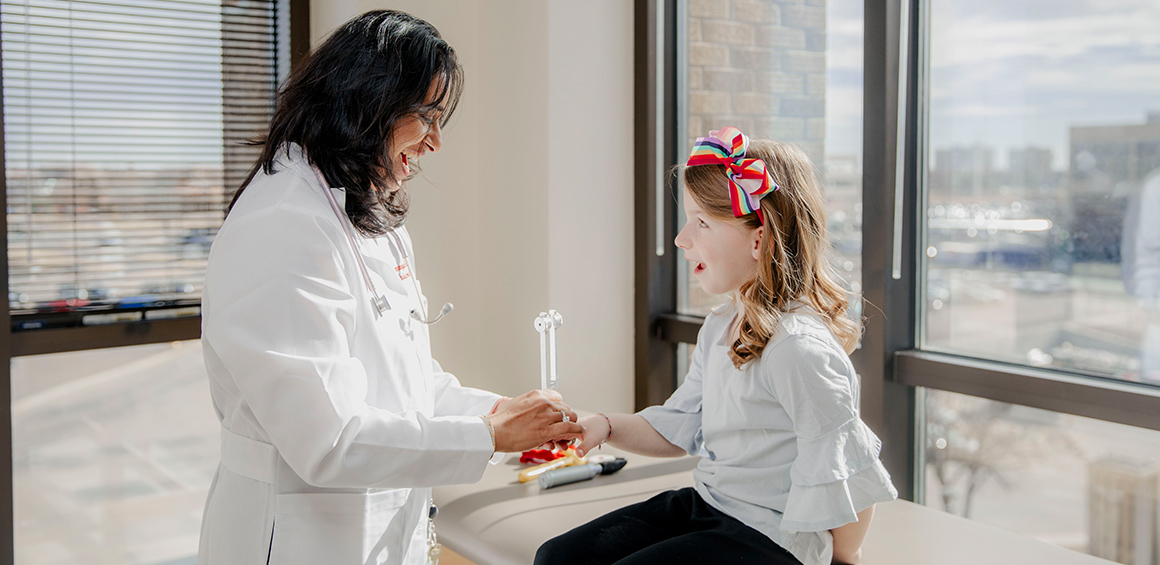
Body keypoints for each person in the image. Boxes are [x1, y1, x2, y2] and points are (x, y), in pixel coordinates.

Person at [198, 11, 583, 565]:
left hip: (379, 526)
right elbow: (328, 440)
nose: (435, 142)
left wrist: (502, 411)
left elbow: (405, 386)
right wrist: (490, 434)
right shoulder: (282, 225)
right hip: (296, 538)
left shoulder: (361, 211)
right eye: (426, 116)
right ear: (366, 100)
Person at [536, 128, 897, 565]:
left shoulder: (799, 349)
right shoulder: (722, 325)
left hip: (770, 535)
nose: (681, 238)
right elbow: (681, 424)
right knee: (556, 557)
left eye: (702, 222)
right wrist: (606, 426)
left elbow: (848, 467)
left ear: (759, 238)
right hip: (711, 505)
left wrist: (845, 558)